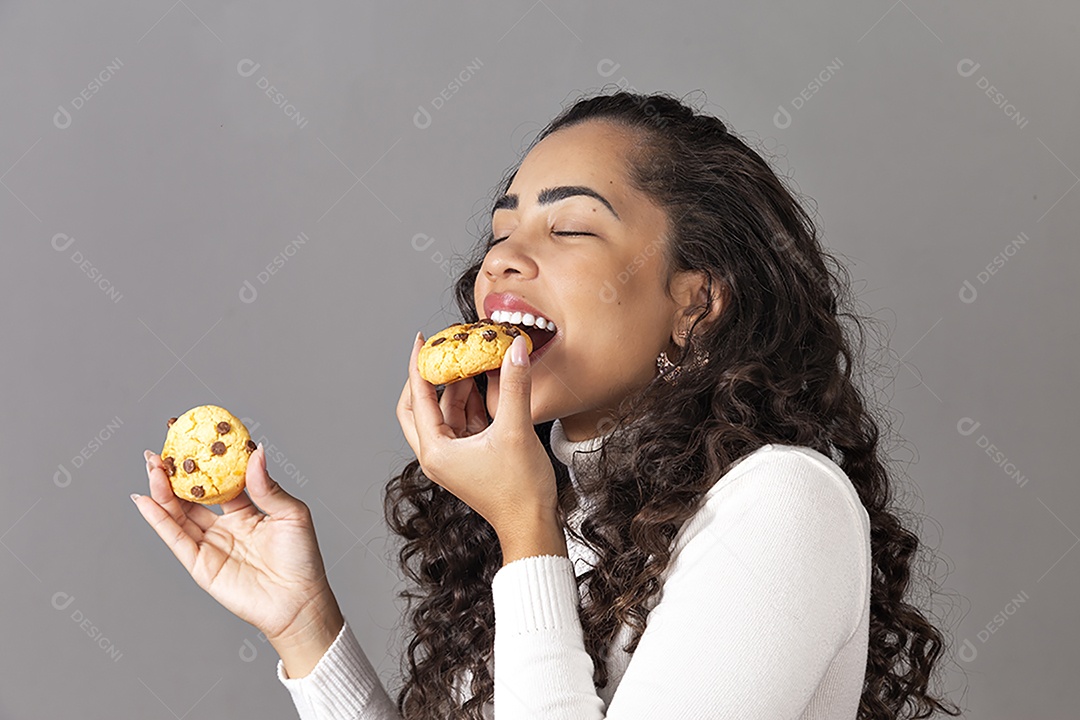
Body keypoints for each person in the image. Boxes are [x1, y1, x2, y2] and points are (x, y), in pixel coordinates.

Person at [133, 90, 962, 719]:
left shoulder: (782, 503)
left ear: (697, 303)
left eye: (569, 230)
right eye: (500, 234)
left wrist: (523, 526)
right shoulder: (562, 510)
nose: (500, 262)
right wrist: (306, 627)